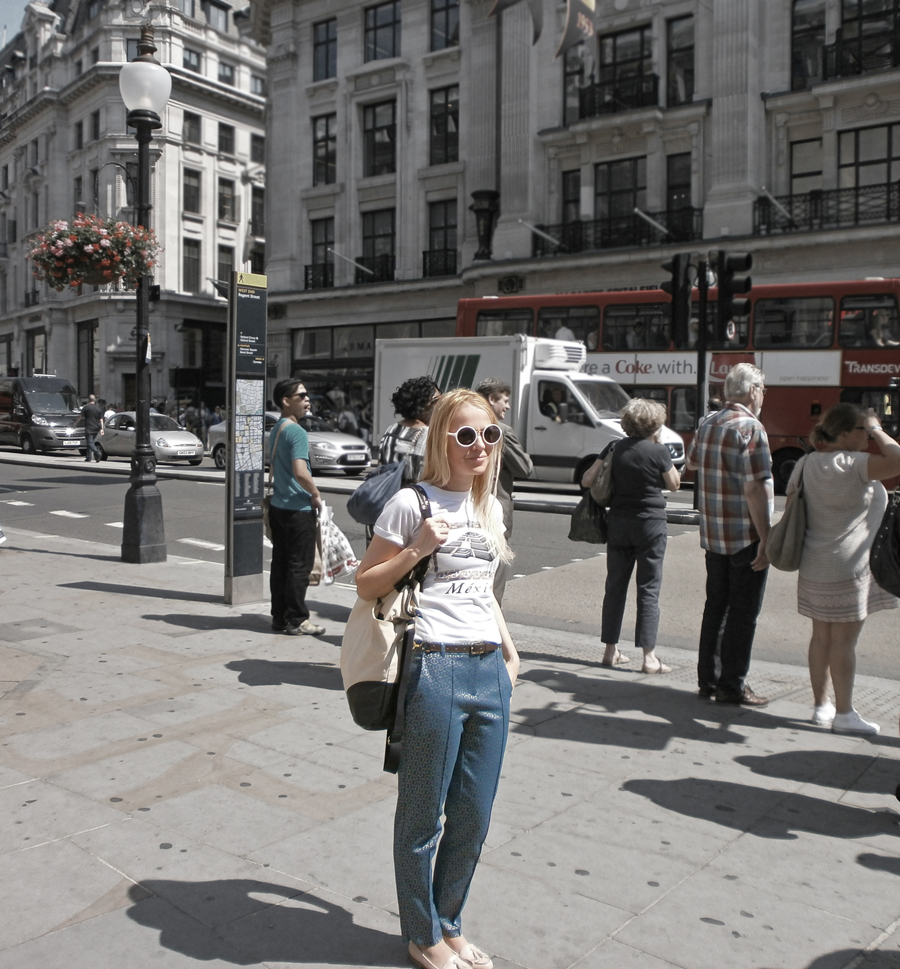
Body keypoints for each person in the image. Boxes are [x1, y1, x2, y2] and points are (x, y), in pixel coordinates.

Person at [356, 389, 519, 969]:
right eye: (467, 435)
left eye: (490, 435)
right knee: (423, 813)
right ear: (441, 440)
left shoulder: (490, 506)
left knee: (474, 812)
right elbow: (367, 583)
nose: (480, 447)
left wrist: (508, 646)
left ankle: (450, 923)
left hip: (488, 669)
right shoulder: (410, 504)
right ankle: (421, 933)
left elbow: (481, 588)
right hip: (435, 665)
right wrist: (417, 549)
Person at [786, 403, 900, 734]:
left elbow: (792, 505)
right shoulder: (856, 465)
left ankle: (822, 706)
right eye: (863, 432)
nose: (867, 438)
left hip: (814, 564)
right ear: (847, 433)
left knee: (821, 637)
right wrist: (878, 429)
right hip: (850, 567)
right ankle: (845, 714)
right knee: (844, 644)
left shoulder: (806, 463)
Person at [686, 363, 773, 706]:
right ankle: (731, 685)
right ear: (752, 390)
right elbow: (755, 489)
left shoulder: (708, 423)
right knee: (742, 613)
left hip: (713, 533)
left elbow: (691, 463)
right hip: (745, 536)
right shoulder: (751, 428)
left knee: (716, 607)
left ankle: (708, 679)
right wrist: (766, 538)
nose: (764, 397)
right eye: (764, 390)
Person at [582, 399, 681, 673]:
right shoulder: (658, 451)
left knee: (615, 587)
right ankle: (649, 658)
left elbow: (587, 480)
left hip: (618, 523)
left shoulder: (614, 446)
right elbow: (674, 485)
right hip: (650, 524)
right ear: (654, 424)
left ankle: (610, 651)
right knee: (648, 589)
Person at [268, 377, 326, 637]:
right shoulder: (297, 431)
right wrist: (315, 493)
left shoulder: (278, 428)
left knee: (280, 563)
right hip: (297, 509)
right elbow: (300, 471)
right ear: (285, 401)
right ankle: (298, 619)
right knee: (299, 566)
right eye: (301, 396)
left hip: (279, 507)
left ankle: (279, 617)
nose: (307, 400)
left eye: (306, 395)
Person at [476, 377, 533, 603]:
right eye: (505, 401)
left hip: (467, 505)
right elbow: (525, 467)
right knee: (495, 577)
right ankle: (492, 629)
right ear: (491, 399)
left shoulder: (462, 426)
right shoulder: (501, 431)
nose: (507, 407)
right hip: (495, 509)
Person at [379, 376, 442, 484]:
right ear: (421, 405)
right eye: (437, 400)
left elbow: (381, 467)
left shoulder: (391, 430)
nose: (441, 404)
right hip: (416, 498)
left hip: (388, 496)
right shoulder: (429, 435)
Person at [80, 394, 105, 463]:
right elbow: (101, 420)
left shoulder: (86, 407)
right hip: (96, 428)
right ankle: (89, 457)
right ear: (95, 400)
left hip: (89, 427)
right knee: (91, 442)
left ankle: (97, 452)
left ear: (88, 400)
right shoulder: (99, 409)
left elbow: (80, 416)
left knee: (89, 442)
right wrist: (102, 429)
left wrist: (75, 423)